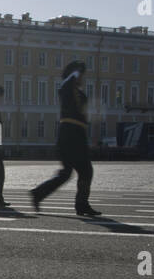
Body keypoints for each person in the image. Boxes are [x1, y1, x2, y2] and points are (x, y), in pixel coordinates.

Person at [31, 62, 101, 216]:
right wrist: (74, 74)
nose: (83, 77)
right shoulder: (67, 88)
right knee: (82, 171)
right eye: (81, 74)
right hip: (69, 135)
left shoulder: (78, 92)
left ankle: (39, 193)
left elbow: (82, 114)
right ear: (74, 75)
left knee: (72, 172)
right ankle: (80, 204)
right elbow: (64, 87)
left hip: (78, 135)